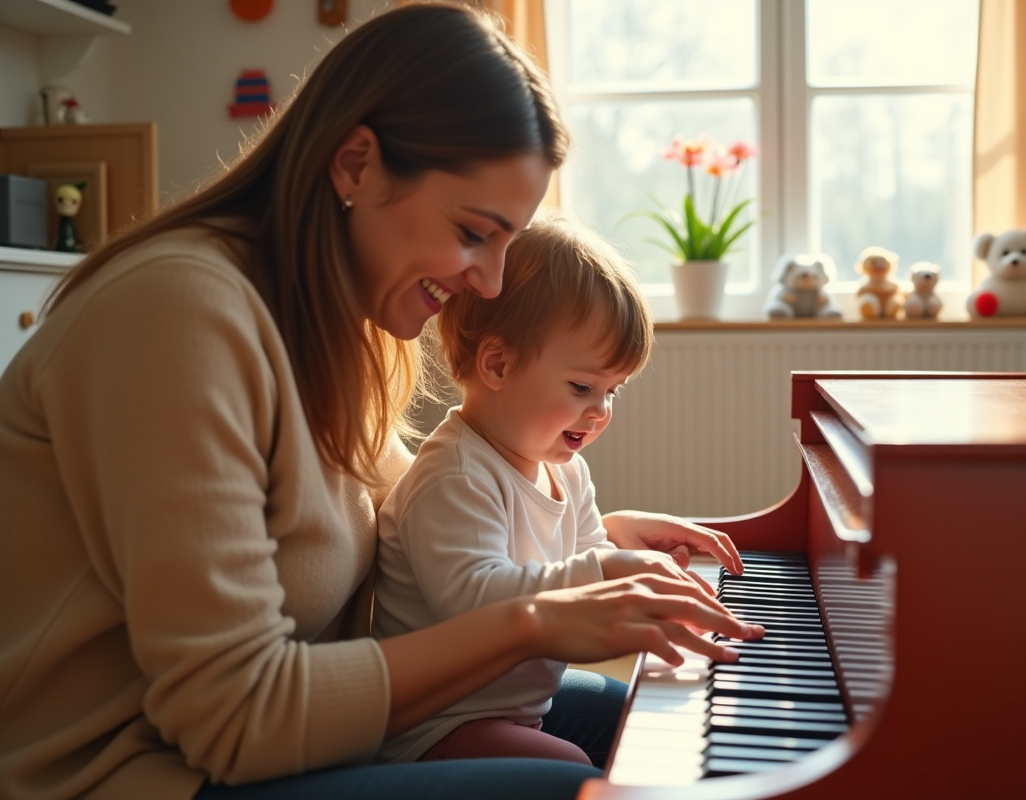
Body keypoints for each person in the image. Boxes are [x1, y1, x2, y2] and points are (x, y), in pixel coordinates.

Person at [0, 4, 760, 800]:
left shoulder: (342, 330)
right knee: (571, 789)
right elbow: (233, 719)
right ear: (357, 164)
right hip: (134, 774)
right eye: (474, 232)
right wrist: (541, 615)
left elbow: (419, 515)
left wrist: (604, 537)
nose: (491, 283)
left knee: (654, 720)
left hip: (284, 736)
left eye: (508, 242)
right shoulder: (179, 313)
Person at [374, 213, 723, 766]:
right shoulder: (455, 475)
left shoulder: (565, 468)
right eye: (584, 386)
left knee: (638, 707)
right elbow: (473, 600)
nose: (601, 411)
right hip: (438, 722)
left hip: (517, 703)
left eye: (613, 392)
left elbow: (590, 556)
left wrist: (647, 578)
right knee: (571, 771)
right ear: (497, 363)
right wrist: (610, 572)